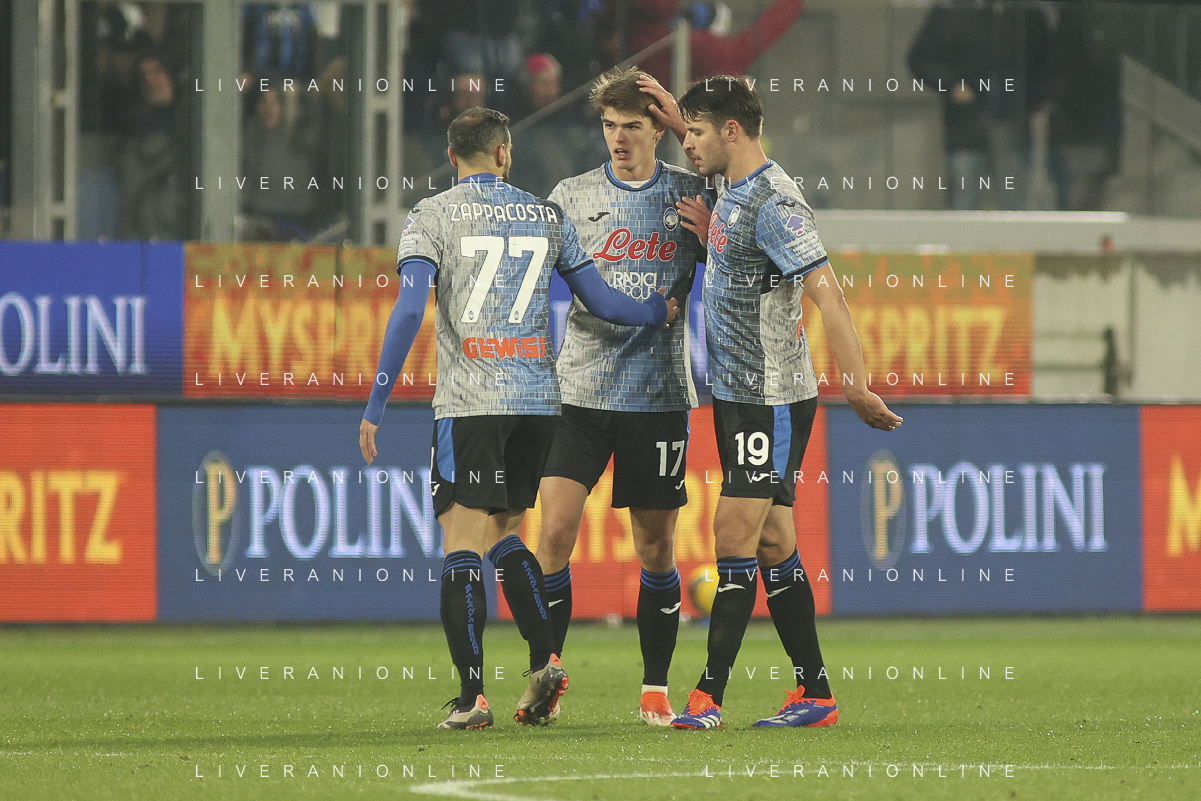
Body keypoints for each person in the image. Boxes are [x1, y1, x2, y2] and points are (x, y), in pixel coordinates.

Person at [358, 107, 680, 730]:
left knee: (461, 542)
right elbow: (601, 300)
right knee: (505, 535)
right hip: (538, 403)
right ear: (504, 154)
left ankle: (472, 698)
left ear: (451, 157)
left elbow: (409, 310)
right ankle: (545, 658)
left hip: (471, 402)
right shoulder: (546, 214)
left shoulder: (431, 215)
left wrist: (377, 402)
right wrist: (656, 310)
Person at [663, 76, 902, 729]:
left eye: (696, 132)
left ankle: (707, 698)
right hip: (738, 396)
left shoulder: (774, 202)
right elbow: (746, 262)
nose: (686, 144)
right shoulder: (730, 189)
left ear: (731, 131)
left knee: (732, 533)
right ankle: (815, 693)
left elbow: (828, 294)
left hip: (769, 398)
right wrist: (664, 108)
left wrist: (855, 384)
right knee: (771, 541)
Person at [532, 67, 713, 726]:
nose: (618, 138)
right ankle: (545, 675)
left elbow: (746, 232)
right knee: (553, 531)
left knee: (654, 547)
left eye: (632, 125)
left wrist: (714, 237)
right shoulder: (570, 196)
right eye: (609, 125)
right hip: (578, 392)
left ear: (656, 129)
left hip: (657, 396)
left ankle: (655, 687)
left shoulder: (692, 192)